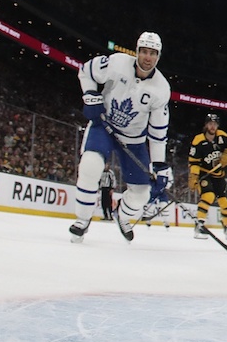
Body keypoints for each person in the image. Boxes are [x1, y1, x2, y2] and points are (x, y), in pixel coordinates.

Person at [69, 32, 172, 243]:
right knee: (90, 166)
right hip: (104, 127)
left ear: (158, 56)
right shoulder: (116, 62)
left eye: (152, 53)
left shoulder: (162, 88)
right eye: (144, 51)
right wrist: (91, 97)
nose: (147, 57)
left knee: (142, 194)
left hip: (133, 141)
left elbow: (158, 131)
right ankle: (83, 219)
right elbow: (86, 71)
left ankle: (122, 216)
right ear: (137, 52)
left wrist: (159, 164)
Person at [189, 113, 227, 239]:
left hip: (218, 175)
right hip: (204, 173)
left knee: (225, 201)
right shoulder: (198, 140)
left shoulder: (222, 136)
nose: (213, 126)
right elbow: (193, 161)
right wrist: (194, 176)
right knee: (208, 196)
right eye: (210, 123)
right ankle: (199, 225)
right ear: (206, 125)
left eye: (215, 124)